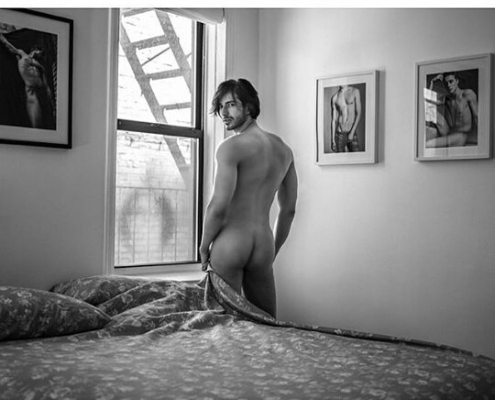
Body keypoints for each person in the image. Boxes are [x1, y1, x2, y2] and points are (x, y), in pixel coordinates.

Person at [199, 78, 298, 318]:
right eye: (220, 106)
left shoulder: (230, 147)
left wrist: (203, 246)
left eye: (231, 105)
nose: (224, 113)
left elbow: (218, 206)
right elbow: (288, 210)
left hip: (231, 242)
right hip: (263, 244)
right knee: (267, 324)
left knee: (225, 328)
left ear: (249, 107)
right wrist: (272, 251)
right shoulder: (283, 150)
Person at [0, 32, 54, 129]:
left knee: (50, 118)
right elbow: (10, 47)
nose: (41, 54)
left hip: (43, 90)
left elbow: (44, 79)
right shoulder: (23, 55)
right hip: (31, 92)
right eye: (40, 51)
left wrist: (48, 94)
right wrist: (2, 39)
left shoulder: (39, 64)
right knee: (36, 124)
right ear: (35, 50)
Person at [426, 72, 478, 148]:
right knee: (431, 110)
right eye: (446, 83)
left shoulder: (468, 94)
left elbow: (476, 116)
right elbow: (428, 100)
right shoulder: (448, 99)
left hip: (460, 136)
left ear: (457, 81)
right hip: (450, 132)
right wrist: (432, 82)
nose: (448, 85)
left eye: (451, 81)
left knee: (428, 144)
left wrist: (480, 140)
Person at [330, 85, 362, 153]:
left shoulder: (355, 91)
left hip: (351, 130)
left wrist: (352, 132)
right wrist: (332, 140)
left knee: (356, 157)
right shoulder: (335, 97)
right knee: (340, 159)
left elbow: (358, 113)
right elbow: (333, 120)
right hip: (340, 133)